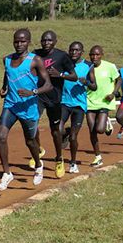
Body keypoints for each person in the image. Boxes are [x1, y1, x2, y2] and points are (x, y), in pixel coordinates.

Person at [0, 29, 52, 191]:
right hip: (11, 105)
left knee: (30, 141)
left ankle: (38, 165)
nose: (19, 44)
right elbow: (7, 75)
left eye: (22, 41)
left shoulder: (35, 61)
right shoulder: (7, 59)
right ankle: (7, 173)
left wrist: (33, 92)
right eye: (16, 41)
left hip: (29, 108)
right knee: (1, 137)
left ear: (28, 42)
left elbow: (48, 85)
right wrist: (4, 88)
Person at [29, 31, 77, 178]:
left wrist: (60, 75)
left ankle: (59, 158)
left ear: (55, 41)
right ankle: (38, 150)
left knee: (55, 130)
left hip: (55, 98)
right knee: (32, 123)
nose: (46, 43)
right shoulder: (35, 54)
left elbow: (74, 76)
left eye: (49, 40)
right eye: (44, 40)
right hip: (38, 95)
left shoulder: (62, 56)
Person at [60, 41, 95, 173]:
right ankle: (65, 134)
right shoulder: (65, 63)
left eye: (77, 50)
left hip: (79, 106)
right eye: (72, 50)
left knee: (74, 137)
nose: (74, 53)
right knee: (58, 129)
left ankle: (73, 163)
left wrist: (86, 82)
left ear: (82, 52)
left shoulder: (88, 65)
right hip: (64, 102)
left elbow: (94, 86)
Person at [85, 46, 118, 167]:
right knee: (92, 130)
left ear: (101, 55)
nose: (94, 57)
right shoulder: (87, 67)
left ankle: (106, 123)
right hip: (90, 101)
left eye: (97, 54)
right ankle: (98, 157)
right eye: (92, 55)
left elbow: (119, 80)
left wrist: (114, 93)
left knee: (100, 129)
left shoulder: (110, 66)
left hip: (105, 101)